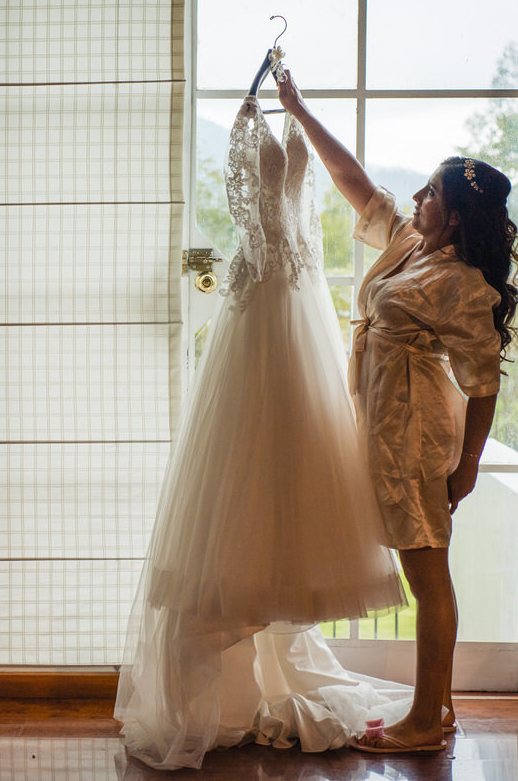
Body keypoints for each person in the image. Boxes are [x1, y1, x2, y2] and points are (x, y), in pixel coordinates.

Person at [115, 87, 410, 771]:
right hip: (259, 323)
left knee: (292, 482)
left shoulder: (289, 131)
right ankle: (229, 694)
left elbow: (346, 185)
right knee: (245, 481)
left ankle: (266, 675)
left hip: (300, 314)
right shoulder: (247, 126)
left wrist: (297, 107)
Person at [276, 71, 518, 754]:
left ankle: (424, 720)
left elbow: (482, 384)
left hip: (415, 434)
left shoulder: (462, 283)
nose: (416, 197)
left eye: (432, 194)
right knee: (425, 568)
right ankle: (436, 709)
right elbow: (354, 182)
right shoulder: (412, 244)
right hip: (386, 422)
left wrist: (468, 464)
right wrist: (299, 111)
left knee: (427, 570)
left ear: (458, 215)